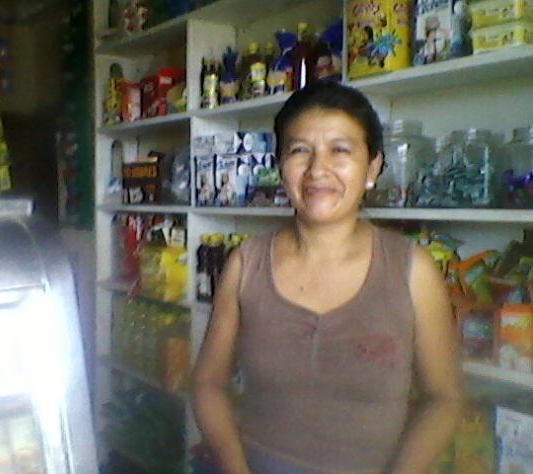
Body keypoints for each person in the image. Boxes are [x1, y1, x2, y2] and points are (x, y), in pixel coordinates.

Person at [191, 81, 462, 474]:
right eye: (300, 150)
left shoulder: (413, 271)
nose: (318, 170)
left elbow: (443, 399)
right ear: (280, 167)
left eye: (340, 150)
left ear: (372, 168)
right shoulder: (245, 264)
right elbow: (208, 383)